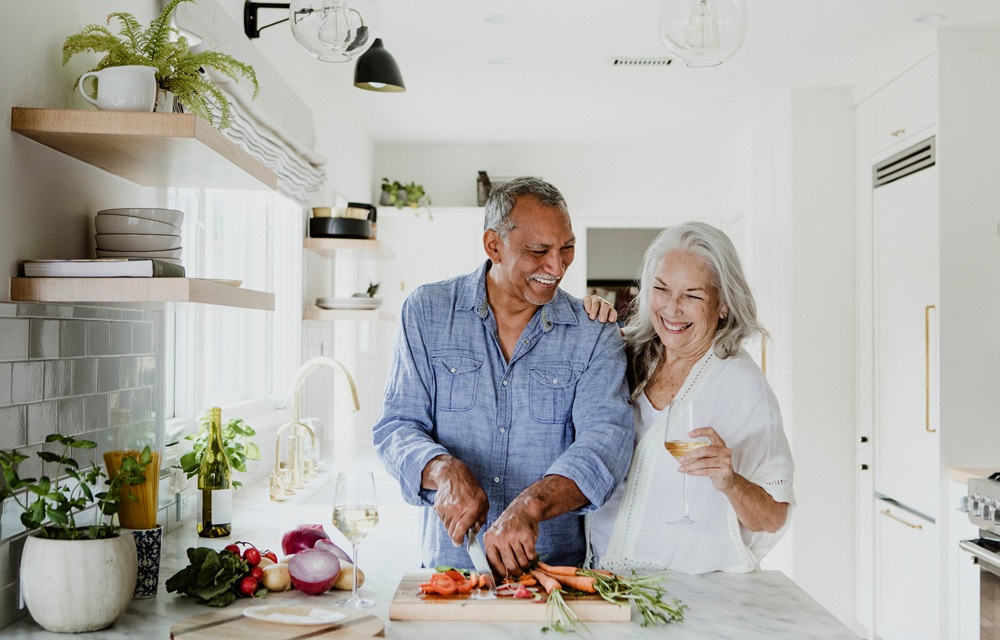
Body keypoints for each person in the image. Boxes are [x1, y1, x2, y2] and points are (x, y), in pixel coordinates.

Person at [373, 177, 634, 577]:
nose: (557, 267)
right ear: (493, 245)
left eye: (567, 249)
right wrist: (442, 470)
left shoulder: (594, 331)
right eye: (538, 251)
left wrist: (531, 506)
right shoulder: (426, 312)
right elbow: (396, 426)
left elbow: (605, 444)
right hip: (449, 571)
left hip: (553, 575)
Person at [587, 221, 794, 575]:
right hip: (602, 578)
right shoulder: (626, 355)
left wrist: (730, 481)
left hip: (688, 593)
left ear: (723, 305)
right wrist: (584, 320)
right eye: (661, 289)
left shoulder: (742, 386)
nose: (672, 308)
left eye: (693, 296)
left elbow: (773, 517)